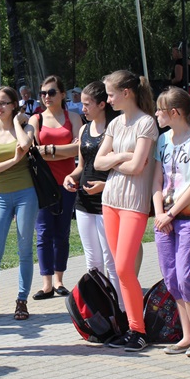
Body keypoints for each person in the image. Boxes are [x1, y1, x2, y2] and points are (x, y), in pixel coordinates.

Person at [94, 70, 159, 352]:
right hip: (110, 199)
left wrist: (114, 161)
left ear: (126, 93)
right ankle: (131, 326)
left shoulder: (147, 123)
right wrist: (122, 156)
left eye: (110, 94)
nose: (107, 100)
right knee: (118, 268)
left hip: (134, 202)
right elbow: (98, 162)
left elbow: (138, 168)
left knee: (123, 267)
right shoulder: (115, 124)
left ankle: (138, 331)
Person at [152, 87, 190, 358]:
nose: (156, 114)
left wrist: (171, 212)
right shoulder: (162, 140)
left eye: (159, 110)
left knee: (187, 276)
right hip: (164, 218)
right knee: (172, 278)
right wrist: (159, 213)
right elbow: (157, 181)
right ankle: (186, 335)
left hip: (188, 217)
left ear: (174, 112)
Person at [0, 86, 37, 321]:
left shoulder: (27, 127)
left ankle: (22, 301)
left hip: (26, 194)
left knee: (24, 249)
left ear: (14, 105)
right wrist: (13, 159)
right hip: (0, 195)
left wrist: (19, 124)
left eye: (3, 103)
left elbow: (25, 146)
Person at [63, 82, 121, 296]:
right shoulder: (84, 129)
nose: (83, 108)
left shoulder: (116, 129)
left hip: (108, 199)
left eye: (87, 104)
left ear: (102, 104)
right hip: (84, 201)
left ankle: (121, 309)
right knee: (92, 260)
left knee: (111, 259)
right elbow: (81, 166)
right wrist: (70, 177)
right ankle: (101, 308)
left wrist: (106, 186)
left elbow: (124, 168)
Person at [29, 75, 81, 300]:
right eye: (43, 93)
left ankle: (59, 281)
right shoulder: (36, 119)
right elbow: (33, 151)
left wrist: (48, 150)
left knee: (62, 232)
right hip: (43, 184)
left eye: (51, 92)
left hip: (69, 181)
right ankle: (46, 283)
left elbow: (79, 149)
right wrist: (62, 150)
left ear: (62, 94)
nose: (46, 97)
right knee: (43, 233)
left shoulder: (74, 117)